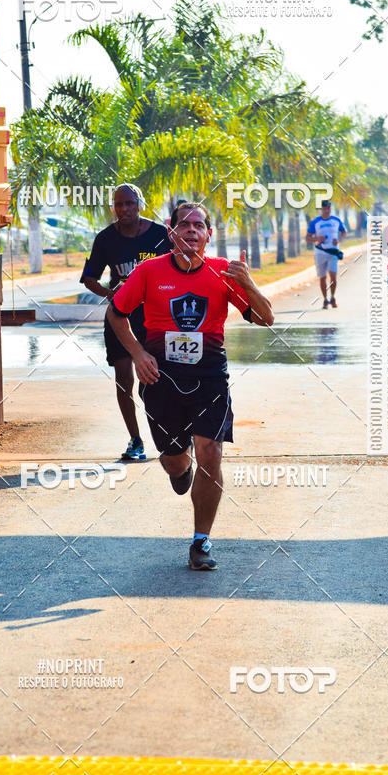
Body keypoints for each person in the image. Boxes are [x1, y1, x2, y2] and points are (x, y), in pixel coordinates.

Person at [106, 202, 274, 571]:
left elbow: (266, 318)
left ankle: (201, 541)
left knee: (210, 451)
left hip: (210, 378)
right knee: (175, 461)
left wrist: (246, 282)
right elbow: (116, 312)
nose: (193, 231)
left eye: (200, 226)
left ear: (209, 236)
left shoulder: (223, 273)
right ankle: (179, 469)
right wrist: (137, 354)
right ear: (173, 233)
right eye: (185, 225)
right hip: (160, 378)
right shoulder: (150, 271)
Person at [81, 184, 171, 460]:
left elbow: (180, 264)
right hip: (121, 318)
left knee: (158, 380)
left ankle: (169, 434)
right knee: (124, 380)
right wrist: (111, 294)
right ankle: (135, 440)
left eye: (129, 203)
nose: (124, 209)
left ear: (139, 204)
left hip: (156, 318)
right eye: (119, 205)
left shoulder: (160, 235)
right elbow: (88, 278)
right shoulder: (106, 239)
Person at [306, 200, 346, 308]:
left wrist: (339, 240)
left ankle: (333, 297)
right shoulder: (315, 222)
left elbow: (343, 232)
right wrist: (317, 239)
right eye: (324, 209)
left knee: (333, 275)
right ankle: (325, 299)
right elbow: (307, 238)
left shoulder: (336, 220)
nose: (327, 210)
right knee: (322, 277)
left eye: (328, 208)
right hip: (320, 253)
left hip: (333, 252)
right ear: (321, 209)